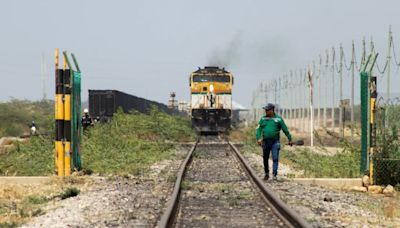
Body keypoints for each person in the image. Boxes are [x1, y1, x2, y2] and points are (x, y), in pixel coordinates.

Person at [256, 103, 293, 181]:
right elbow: (258, 129)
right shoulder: (263, 119)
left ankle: (274, 175)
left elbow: (285, 129)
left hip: (275, 142)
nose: (265, 111)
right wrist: (258, 138)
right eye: (265, 110)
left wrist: (290, 139)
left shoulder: (279, 119)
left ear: (272, 110)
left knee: (275, 158)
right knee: (265, 158)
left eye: (267, 110)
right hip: (265, 142)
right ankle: (266, 173)